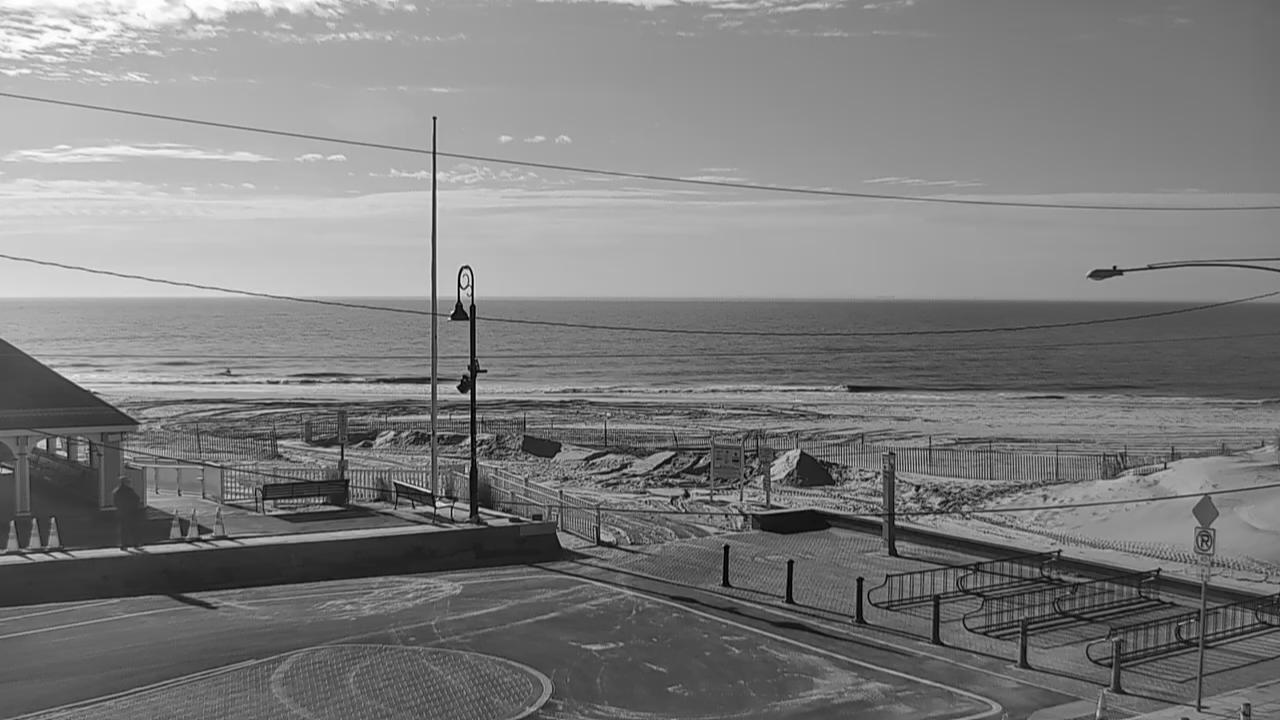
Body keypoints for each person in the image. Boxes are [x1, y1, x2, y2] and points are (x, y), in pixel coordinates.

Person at [112, 476, 142, 549]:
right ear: (125, 483)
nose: (130, 483)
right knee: (133, 528)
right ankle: (135, 544)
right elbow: (136, 498)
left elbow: (116, 503)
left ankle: (123, 545)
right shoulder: (129, 490)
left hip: (122, 513)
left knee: (123, 529)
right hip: (131, 512)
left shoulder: (116, 491)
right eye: (128, 482)